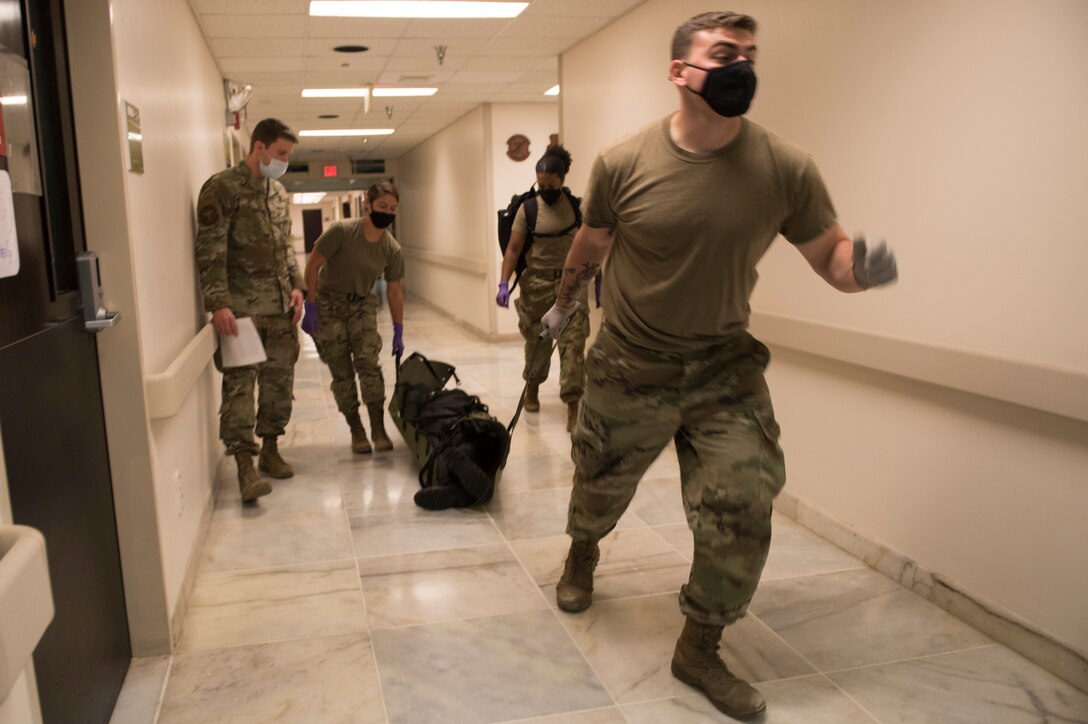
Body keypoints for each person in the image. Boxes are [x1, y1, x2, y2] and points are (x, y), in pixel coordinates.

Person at [539, 11, 897, 719]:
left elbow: (830, 255)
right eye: (726, 53)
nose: (743, 66)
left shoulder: (785, 168)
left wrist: (866, 270)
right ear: (680, 72)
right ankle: (583, 550)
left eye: (751, 55)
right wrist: (562, 308)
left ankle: (700, 645)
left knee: (744, 500)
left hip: (723, 369)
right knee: (599, 486)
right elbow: (591, 244)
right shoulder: (622, 163)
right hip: (630, 363)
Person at [196, 118, 304, 503]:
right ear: (259, 148)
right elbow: (210, 249)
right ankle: (244, 466)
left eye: (287, 156)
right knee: (240, 389)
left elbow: (286, 249)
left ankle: (271, 450)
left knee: (279, 384)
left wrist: (296, 287)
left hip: (278, 309)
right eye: (280, 154)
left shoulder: (276, 193)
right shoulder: (221, 188)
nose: (283, 162)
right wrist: (219, 303)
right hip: (241, 311)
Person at [302, 180, 405, 455]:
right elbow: (312, 266)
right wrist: (310, 305)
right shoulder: (342, 232)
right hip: (328, 304)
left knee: (368, 364)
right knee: (341, 371)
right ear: (368, 205)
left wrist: (398, 329)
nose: (387, 212)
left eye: (393, 208)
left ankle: (378, 427)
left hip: (362, 306)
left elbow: (394, 291)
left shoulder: (391, 249)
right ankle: (356, 429)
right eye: (382, 206)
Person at [496, 145, 590, 431]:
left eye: (551, 185)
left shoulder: (576, 207)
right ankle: (533, 385)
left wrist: (596, 278)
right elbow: (513, 248)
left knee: (573, 344)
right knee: (538, 341)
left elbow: (589, 246)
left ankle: (573, 405)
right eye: (541, 184)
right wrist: (503, 281)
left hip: (571, 283)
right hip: (536, 284)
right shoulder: (528, 208)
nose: (545, 189)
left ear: (562, 180)